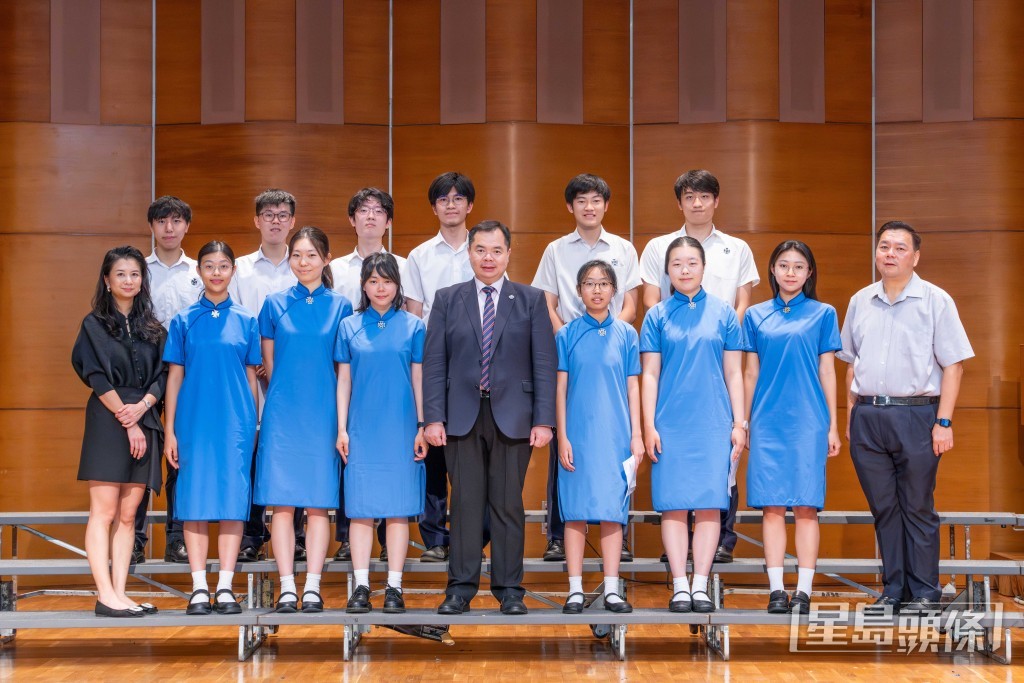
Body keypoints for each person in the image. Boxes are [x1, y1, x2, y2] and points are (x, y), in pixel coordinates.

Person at [838, 221, 973, 615]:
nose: (890, 253)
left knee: (916, 505)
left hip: (918, 416)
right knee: (884, 507)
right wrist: (851, 416)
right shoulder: (861, 300)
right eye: (884, 247)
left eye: (900, 248)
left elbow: (954, 367)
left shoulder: (935, 300)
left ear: (915, 256)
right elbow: (850, 364)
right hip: (868, 416)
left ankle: (926, 591)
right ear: (876, 253)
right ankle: (894, 588)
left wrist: (943, 422)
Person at [424, 220, 556, 616]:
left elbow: (544, 363)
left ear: (508, 254)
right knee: (463, 503)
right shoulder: (448, 298)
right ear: (469, 252)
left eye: (496, 250)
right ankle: (459, 589)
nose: (488, 258)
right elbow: (434, 363)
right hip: (460, 416)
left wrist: (544, 419)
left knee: (507, 505)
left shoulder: (530, 299)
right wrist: (433, 417)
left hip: (514, 416)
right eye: (481, 249)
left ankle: (509, 588)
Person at [639, 169, 758, 564]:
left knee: (721, 469)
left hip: (719, 351)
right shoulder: (659, 247)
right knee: (673, 485)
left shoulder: (736, 248)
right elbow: (652, 302)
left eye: (704, 196)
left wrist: (721, 327)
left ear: (716, 200)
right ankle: (676, 560)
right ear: (680, 202)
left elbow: (741, 302)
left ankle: (719, 543)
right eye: (689, 196)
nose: (697, 203)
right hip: (676, 359)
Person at [532, 173, 641, 563]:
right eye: (581, 201)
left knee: (615, 444)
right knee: (565, 442)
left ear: (606, 205)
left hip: (609, 344)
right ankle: (558, 534)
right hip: (569, 347)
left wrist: (606, 333)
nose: (589, 207)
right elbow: (546, 303)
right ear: (570, 206)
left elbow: (630, 303)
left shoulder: (624, 249)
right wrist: (573, 336)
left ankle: (617, 531)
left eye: (596, 200)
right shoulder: (556, 250)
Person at [640, 236, 745, 613]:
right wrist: (649, 425)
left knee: (709, 506)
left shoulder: (724, 313)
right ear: (667, 271)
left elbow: (734, 373)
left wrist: (739, 422)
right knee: (672, 506)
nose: (684, 270)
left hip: (714, 422)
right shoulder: (656, 316)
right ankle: (680, 586)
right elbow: (649, 374)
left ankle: (700, 583)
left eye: (691, 263)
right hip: (670, 422)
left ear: (704, 268)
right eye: (677, 264)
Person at [255, 226, 353, 612]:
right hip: (283, 414)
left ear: (326, 259)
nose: (304, 262)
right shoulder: (273, 304)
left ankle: (312, 585)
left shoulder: (342, 306)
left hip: (324, 413)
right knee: (281, 504)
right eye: (297, 255)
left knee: (317, 504)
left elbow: (342, 368)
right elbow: (269, 365)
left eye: (312, 255)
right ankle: (286, 586)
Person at [741, 241, 841, 614]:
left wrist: (832, 425)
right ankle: (776, 590)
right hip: (767, 421)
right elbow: (750, 373)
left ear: (809, 273)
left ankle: (804, 590)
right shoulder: (754, 315)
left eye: (799, 267)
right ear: (772, 270)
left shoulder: (824, 313)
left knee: (805, 507)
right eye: (783, 265)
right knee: (771, 507)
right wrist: (745, 421)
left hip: (808, 422)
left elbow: (828, 371)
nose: (791, 272)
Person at [162, 241, 261, 616]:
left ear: (233, 271)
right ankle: (199, 587)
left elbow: (251, 377)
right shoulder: (184, 320)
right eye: (209, 266)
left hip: (235, 424)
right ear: (199, 271)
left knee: (234, 505)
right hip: (194, 423)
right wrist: (170, 430)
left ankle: (225, 586)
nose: (216, 272)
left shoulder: (247, 319)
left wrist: (251, 425)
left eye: (223, 266)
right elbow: (174, 378)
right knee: (195, 504)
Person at [72, 246, 167, 617]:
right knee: (105, 511)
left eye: (135, 274)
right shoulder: (93, 324)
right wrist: (127, 418)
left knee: (130, 515)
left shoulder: (154, 328)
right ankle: (103, 593)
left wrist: (142, 409)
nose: (129, 281)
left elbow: (163, 376)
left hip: (145, 413)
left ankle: (121, 593)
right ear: (107, 281)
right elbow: (93, 374)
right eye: (121, 274)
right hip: (108, 417)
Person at [336, 253, 427, 614]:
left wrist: (421, 426)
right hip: (361, 427)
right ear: (363, 285)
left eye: (387, 280)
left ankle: (394, 586)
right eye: (373, 280)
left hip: (402, 426)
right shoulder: (349, 326)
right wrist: (341, 428)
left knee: (397, 511)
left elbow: (419, 379)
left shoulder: (414, 326)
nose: (380, 287)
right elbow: (344, 380)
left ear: (397, 284)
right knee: (360, 509)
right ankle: (360, 585)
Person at [556, 260, 643, 615]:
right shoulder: (566, 334)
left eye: (604, 283)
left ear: (614, 290)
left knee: (612, 512)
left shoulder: (627, 335)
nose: (597, 289)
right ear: (579, 291)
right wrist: (562, 436)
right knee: (575, 513)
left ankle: (611, 589)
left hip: (616, 436)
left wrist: (636, 436)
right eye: (589, 283)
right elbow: (560, 390)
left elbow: (633, 387)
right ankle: (575, 589)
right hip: (577, 434)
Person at [401, 172, 478, 563]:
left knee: (468, 456)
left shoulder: (482, 248)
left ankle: (469, 538)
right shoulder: (419, 256)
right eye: (443, 199)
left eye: (457, 198)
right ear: (434, 207)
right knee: (433, 453)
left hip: (474, 367)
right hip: (434, 362)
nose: (451, 204)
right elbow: (415, 314)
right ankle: (433, 538)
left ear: (469, 205)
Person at [329, 188, 408, 562]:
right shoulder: (337, 269)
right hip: (349, 370)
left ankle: (390, 564)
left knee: (395, 491)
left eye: (379, 211)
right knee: (356, 480)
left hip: (393, 385)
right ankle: (348, 543)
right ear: (352, 219)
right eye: (363, 210)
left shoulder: (405, 264)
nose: (371, 217)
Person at [229, 189, 307, 564]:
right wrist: (258, 362)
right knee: (252, 452)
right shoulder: (240, 268)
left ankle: (301, 534)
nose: (276, 220)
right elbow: (234, 320)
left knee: (298, 451)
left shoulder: (306, 265)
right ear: (256, 220)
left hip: (297, 380)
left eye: (282, 214)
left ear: (292, 221)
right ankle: (251, 533)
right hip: (248, 376)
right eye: (268, 214)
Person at [135, 196, 201, 565]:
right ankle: (136, 538)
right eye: (162, 221)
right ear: (152, 227)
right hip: (145, 372)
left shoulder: (199, 270)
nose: (170, 228)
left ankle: (177, 537)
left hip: (188, 374)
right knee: (141, 455)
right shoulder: (138, 269)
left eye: (177, 220)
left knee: (180, 456)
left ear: (186, 226)